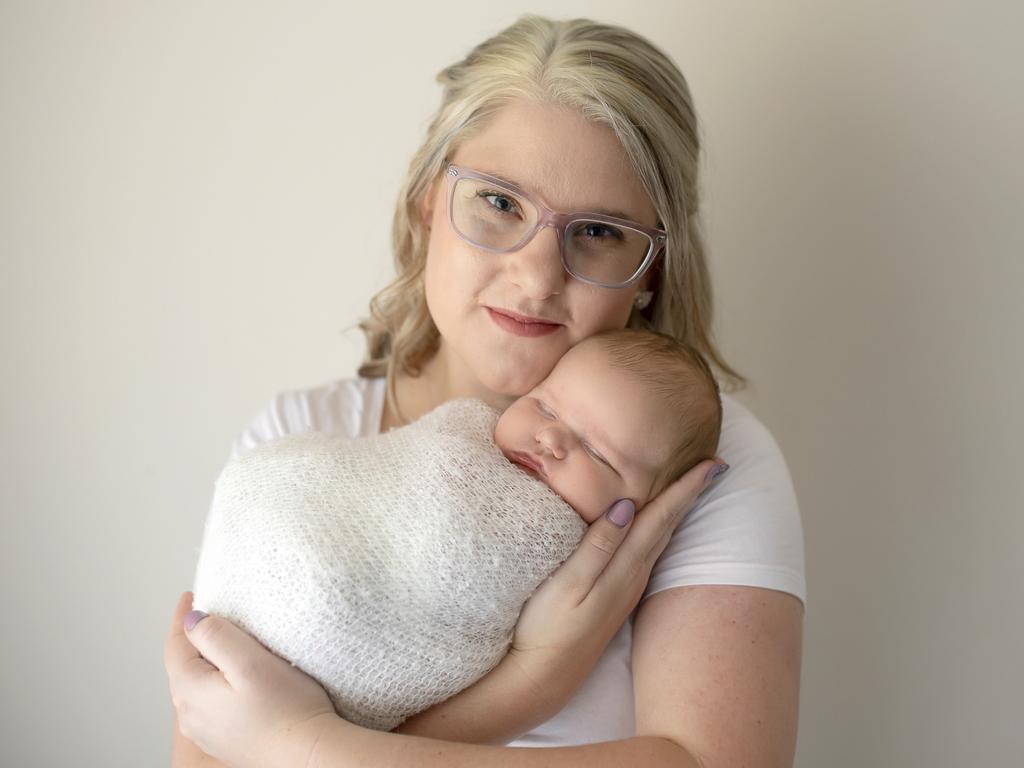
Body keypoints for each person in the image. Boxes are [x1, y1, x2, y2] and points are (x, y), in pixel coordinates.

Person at [165, 14, 805, 768]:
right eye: (500, 204)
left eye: (598, 231)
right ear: (428, 203)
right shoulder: (301, 438)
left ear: (650, 272)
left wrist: (299, 746)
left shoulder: (696, 469)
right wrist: (529, 685)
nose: (537, 276)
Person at [189, 329, 724, 733]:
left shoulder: (584, 553)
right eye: (544, 405)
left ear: (651, 506)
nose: (550, 438)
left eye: (597, 453)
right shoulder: (461, 431)